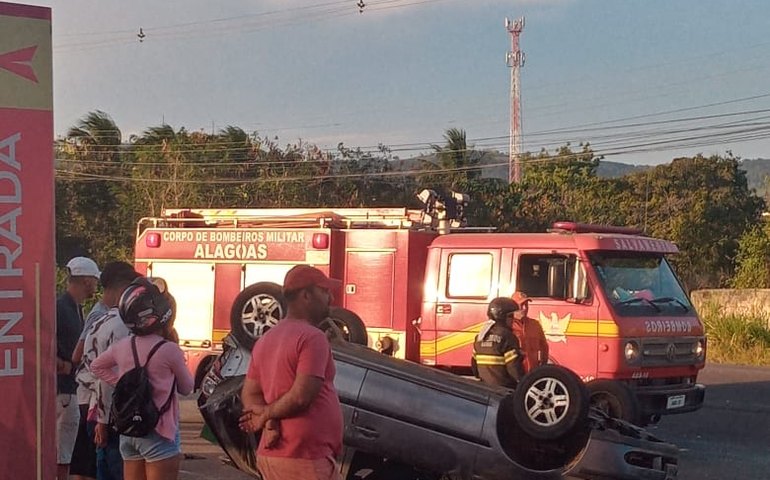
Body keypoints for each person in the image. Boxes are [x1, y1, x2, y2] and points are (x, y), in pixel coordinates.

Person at [238, 265, 344, 480]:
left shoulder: (267, 338)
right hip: (304, 456)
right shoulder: (312, 338)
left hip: (274, 454)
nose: (330, 298)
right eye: (324, 291)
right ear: (307, 295)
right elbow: (301, 397)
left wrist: (269, 421)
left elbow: (250, 394)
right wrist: (268, 415)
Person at [91, 278, 194, 480]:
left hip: (129, 432)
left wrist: (122, 381)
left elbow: (96, 366)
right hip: (159, 431)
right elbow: (187, 388)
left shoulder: (123, 345)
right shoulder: (168, 350)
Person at [81, 262, 142, 480]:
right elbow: (107, 378)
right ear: (122, 288)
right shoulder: (122, 325)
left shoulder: (99, 320)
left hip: (95, 408)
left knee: (102, 468)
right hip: (113, 413)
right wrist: (103, 421)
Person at [57, 256, 101, 480]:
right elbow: (45, 345)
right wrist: (62, 365)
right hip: (64, 392)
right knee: (63, 451)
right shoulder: (62, 308)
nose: (96, 285)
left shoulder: (73, 308)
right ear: (85, 280)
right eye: (94, 280)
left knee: (66, 450)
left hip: (69, 389)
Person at [473, 297, 525, 388]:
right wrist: (523, 382)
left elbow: (474, 367)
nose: (513, 320)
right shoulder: (508, 337)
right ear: (502, 317)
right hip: (504, 389)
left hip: (485, 388)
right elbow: (514, 368)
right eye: (511, 316)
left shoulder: (480, 336)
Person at [511, 291, 550, 373]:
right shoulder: (507, 326)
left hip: (532, 374)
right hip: (515, 375)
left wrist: (542, 367)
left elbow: (544, 347)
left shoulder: (535, 325)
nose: (525, 308)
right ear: (513, 307)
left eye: (526, 304)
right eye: (521, 305)